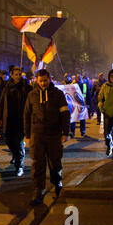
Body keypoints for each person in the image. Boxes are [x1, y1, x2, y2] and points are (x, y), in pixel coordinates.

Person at [24, 69, 70, 205]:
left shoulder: (58, 94)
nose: (43, 83)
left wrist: (65, 132)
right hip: (37, 135)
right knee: (37, 164)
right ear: (37, 81)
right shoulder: (32, 95)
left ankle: (57, 184)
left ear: (49, 79)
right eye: (40, 81)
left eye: (45, 80)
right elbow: (26, 115)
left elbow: (65, 114)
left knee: (55, 162)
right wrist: (27, 135)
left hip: (54, 135)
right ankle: (39, 190)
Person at [0, 66, 32, 176]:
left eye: (19, 74)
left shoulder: (26, 87)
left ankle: (19, 166)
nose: (18, 76)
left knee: (19, 142)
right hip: (9, 119)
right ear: (11, 75)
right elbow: (1, 102)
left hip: (21, 120)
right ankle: (16, 154)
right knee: (8, 141)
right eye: (15, 74)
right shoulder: (7, 87)